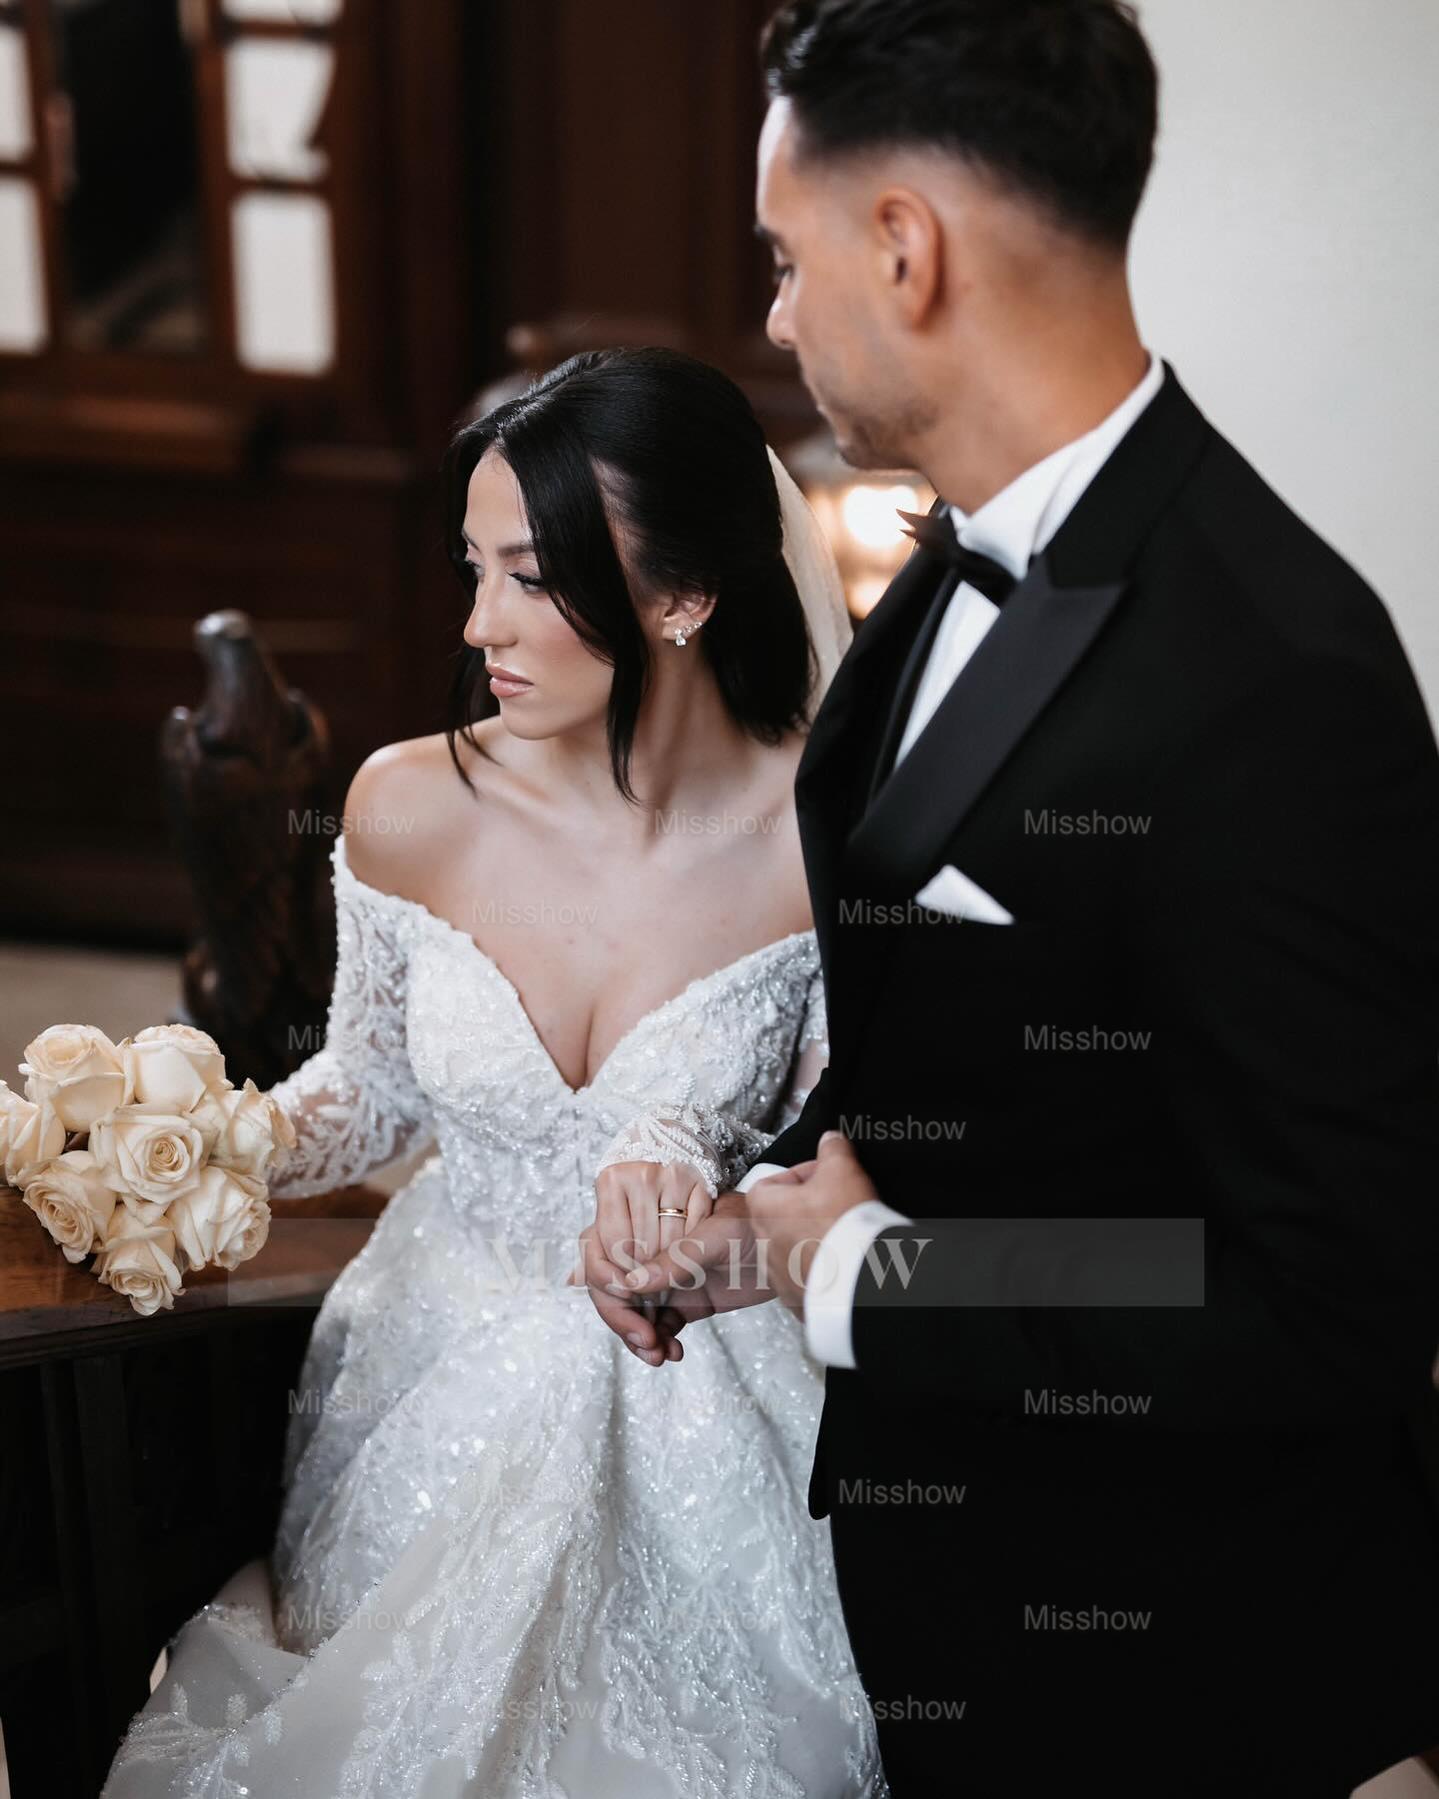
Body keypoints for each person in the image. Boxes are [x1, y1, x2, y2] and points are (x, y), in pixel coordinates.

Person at [591, 3, 1439, 1791]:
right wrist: (763, 1231)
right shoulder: (939, 564)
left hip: (1178, 1663)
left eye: (783, 256)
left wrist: (870, 1279)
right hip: (948, 1593)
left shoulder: (1278, 674)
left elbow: (1340, 1296)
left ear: (904, 249)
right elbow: (960, 1035)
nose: (773, 315)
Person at [100, 347, 887, 1797]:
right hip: (437, 1353)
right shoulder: (409, 805)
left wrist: (713, 1179)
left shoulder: (823, 841)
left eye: (532, 579)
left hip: (708, 1369)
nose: (481, 628)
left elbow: (854, 1148)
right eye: (475, 572)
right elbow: (373, 1092)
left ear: (684, 596)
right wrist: (175, 1152)